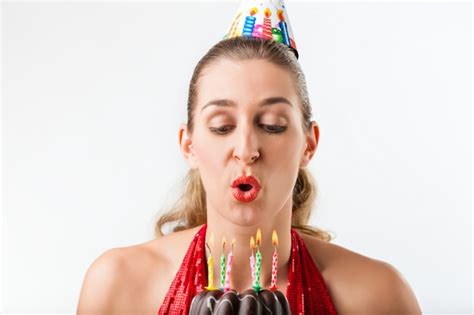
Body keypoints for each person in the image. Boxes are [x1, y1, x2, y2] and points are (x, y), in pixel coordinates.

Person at [77, 2, 422, 314]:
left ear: (309, 145)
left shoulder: (378, 296)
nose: (246, 149)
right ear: (188, 145)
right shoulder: (118, 287)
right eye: (222, 126)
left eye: (272, 126)